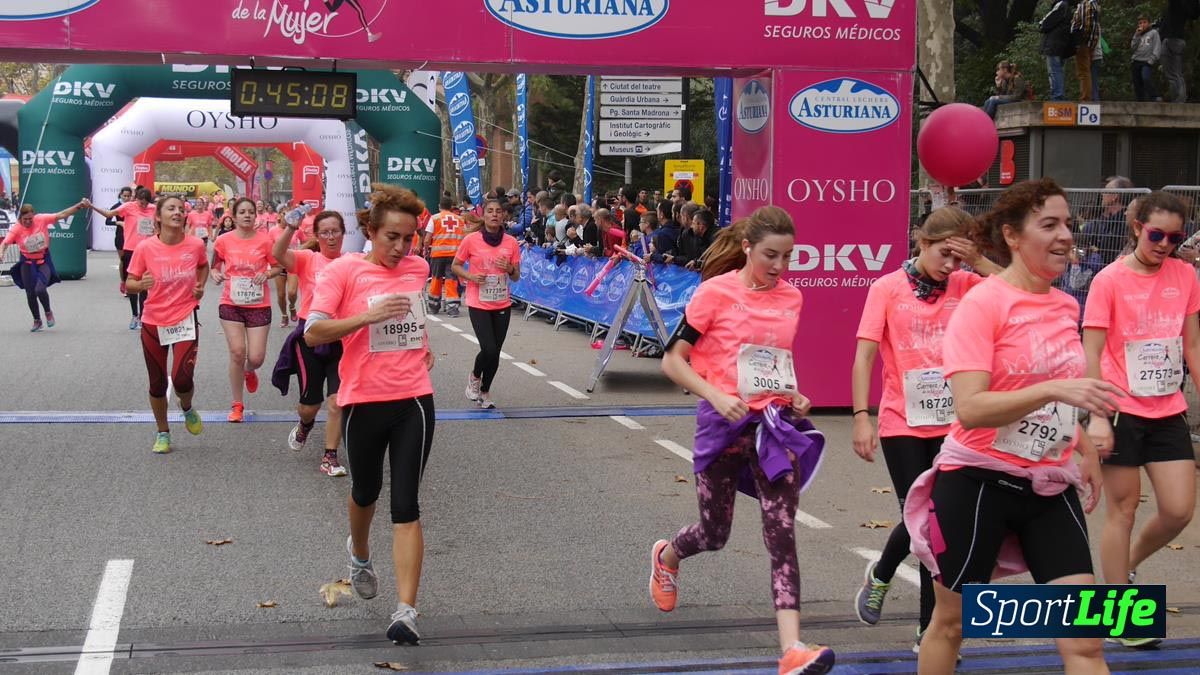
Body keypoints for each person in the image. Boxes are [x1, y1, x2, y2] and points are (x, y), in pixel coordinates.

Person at [905, 178, 1117, 673]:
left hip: (1048, 485)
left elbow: (1058, 392)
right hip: (977, 481)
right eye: (1049, 225)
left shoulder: (1066, 305)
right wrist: (1053, 391)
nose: (1065, 235)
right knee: (952, 624)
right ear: (1013, 237)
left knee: (1086, 643)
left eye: (1068, 223)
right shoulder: (982, 305)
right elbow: (972, 408)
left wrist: (1083, 448)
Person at [650, 206, 833, 675]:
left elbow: (772, 361)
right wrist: (715, 393)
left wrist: (794, 393)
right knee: (715, 534)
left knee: (781, 532)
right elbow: (673, 362)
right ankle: (668, 554)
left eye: (787, 257)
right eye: (770, 255)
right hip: (721, 422)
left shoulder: (792, 297)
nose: (779, 266)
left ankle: (792, 649)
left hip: (771, 425)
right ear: (748, 248)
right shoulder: (715, 294)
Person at [850, 207, 999, 652]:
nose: (948, 265)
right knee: (926, 523)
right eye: (942, 253)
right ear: (920, 240)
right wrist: (862, 416)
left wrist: (979, 260)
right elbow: (864, 356)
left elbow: (1017, 291)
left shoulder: (968, 285)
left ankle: (901, 595)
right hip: (904, 423)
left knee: (942, 525)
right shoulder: (887, 289)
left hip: (958, 423)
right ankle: (916, 614)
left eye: (957, 257)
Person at [304, 184, 434, 645]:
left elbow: (410, 320)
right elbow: (313, 332)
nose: (401, 248)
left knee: (406, 504)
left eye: (408, 238)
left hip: (414, 398)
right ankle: (359, 552)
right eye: (391, 238)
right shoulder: (343, 271)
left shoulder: (418, 268)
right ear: (371, 231)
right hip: (362, 400)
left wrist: (424, 344)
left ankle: (405, 611)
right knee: (365, 490)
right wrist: (366, 317)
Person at [1082, 192, 1197, 649]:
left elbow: (1192, 345)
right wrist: (1096, 416)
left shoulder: (1186, 276)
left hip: (1167, 409)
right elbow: (1090, 350)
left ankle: (1122, 567)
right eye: (1156, 234)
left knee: (1178, 510)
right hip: (1120, 408)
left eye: (1175, 236)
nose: (1165, 244)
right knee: (1123, 510)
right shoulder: (1107, 281)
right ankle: (1119, 612)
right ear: (1136, 228)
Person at [125, 195, 208, 454]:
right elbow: (129, 283)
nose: (177, 212)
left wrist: (200, 286)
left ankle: (186, 407)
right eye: (171, 209)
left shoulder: (195, 245)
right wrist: (140, 285)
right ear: (158, 217)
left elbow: (203, 267)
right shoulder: (145, 248)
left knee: (182, 379)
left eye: (181, 209)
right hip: (153, 320)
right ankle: (163, 432)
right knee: (158, 383)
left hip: (184, 317)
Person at [271, 210, 350, 477]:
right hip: (311, 337)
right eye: (324, 232)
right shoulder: (308, 259)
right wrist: (291, 227)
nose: (330, 237)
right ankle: (305, 424)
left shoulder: (352, 262)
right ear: (316, 236)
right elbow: (279, 254)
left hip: (342, 338)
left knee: (338, 401)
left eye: (335, 231)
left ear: (343, 233)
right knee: (310, 405)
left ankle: (330, 456)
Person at [211, 197, 279, 423]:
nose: (248, 215)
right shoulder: (223, 240)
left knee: (256, 357)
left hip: (258, 303)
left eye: (251, 211)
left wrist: (268, 273)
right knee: (237, 352)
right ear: (234, 215)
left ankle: (250, 370)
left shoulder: (265, 241)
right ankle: (237, 404)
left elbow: (279, 266)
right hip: (231, 302)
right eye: (243, 212)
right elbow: (215, 265)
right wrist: (215, 274)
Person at [451, 198, 522, 410]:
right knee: (488, 348)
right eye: (490, 211)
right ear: (483, 215)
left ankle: (485, 391)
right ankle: (474, 377)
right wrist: (471, 277)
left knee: (496, 352)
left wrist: (509, 268)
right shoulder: (471, 240)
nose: (494, 215)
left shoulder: (511, 242)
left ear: (503, 216)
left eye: (498, 211)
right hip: (478, 301)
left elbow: (516, 276)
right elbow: (455, 266)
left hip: (501, 302)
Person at [2, 200, 87, 331]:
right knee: (30, 293)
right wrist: (1, 253)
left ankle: (48, 311)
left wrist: (78, 206)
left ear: (34, 215)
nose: (28, 222)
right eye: (25, 219)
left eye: (30, 218)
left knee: (40, 289)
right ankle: (37, 320)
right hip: (27, 262)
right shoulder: (17, 228)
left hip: (43, 260)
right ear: (20, 218)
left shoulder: (41, 219)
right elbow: (5, 243)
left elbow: (62, 214)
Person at [90, 186, 157, 330]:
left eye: (146, 203)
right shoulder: (128, 207)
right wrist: (91, 206)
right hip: (131, 250)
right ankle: (134, 315)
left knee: (144, 285)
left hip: (147, 251)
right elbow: (108, 214)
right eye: (141, 203)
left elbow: (160, 224)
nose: (143, 206)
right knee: (131, 285)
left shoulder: (153, 209)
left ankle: (143, 317)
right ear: (136, 199)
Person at [424, 196, 466, 318]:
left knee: (436, 278)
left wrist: (426, 250)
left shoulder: (435, 218)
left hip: (438, 254)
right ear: (451, 207)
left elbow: (427, 239)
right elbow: (464, 237)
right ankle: (452, 307)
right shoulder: (459, 219)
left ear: (439, 206)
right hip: (454, 254)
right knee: (451, 279)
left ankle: (434, 305)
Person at [269, 214, 306, 328]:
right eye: (285, 215)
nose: (288, 218)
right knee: (280, 295)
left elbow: (304, 242)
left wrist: (300, 253)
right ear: (280, 215)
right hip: (279, 265)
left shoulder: (296, 229)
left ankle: (292, 306)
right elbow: (269, 247)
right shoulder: (273, 230)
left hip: (292, 264)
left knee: (292, 292)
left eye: (290, 215)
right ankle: (284, 315)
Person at [1158, 0, 1199, 103]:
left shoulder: (1181, 4)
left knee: (1175, 73)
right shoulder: (1174, 9)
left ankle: (1180, 98)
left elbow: (1194, 13)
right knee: (1171, 74)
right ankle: (1177, 98)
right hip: (1168, 39)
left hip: (1174, 39)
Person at [1040, 0, 1075, 102]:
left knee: (1054, 71)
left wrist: (1041, 25)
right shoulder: (1067, 7)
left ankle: (1057, 97)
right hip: (1061, 45)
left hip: (1053, 45)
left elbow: (1045, 22)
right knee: (1057, 71)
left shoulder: (1061, 5)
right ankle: (1058, 96)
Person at [1071, 0, 1100, 101]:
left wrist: (1079, 40)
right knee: (1085, 71)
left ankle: (1085, 98)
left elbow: (1087, 25)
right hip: (1089, 43)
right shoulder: (1094, 4)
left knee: (1083, 72)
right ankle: (1086, 96)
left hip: (1083, 43)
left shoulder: (1086, 4)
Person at [1131, 16, 1162, 102]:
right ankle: (1140, 101)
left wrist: (1152, 60)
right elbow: (1133, 47)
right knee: (1137, 83)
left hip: (1147, 61)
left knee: (1146, 78)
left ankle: (1155, 96)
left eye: (1144, 22)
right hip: (1136, 60)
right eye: (1140, 23)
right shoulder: (1138, 34)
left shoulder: (1153, 33)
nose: (1142, 25)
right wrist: (1136, 35)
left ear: (1148, 23)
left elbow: (1157, 47)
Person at [108, 187, 133, 295]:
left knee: (133, 261)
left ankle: (132, 284)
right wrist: (118, 223)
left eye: (128, 196)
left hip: (132, 236)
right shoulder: (116, 207)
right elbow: (107, 221)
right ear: (121, 195)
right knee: (124, 260)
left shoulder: (133, 207)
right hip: (120, 236)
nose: (126, 198)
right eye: (125, 196)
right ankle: (124, 282)